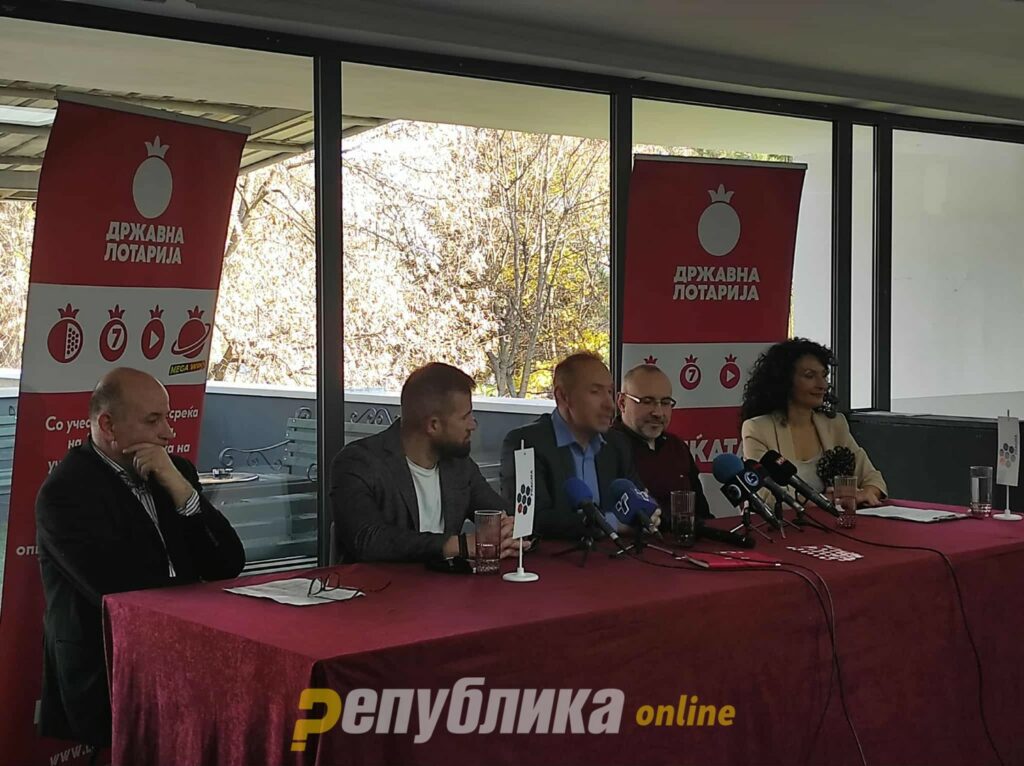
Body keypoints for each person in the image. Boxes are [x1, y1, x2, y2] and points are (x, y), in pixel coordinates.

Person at [36, 368, 246, 748]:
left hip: (182, 651)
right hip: (111, 668)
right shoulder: (66, 492)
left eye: (167, 417)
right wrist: (192, 599)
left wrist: (183, 492)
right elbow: (122, 591)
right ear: (107, 425)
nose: (169, 432)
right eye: (153, 420)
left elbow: (227, 563)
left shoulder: (173, 472)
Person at [331, 362, 519, 562]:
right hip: (376, 582)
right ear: (433, 425)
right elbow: (368, 540)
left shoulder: (459, 467)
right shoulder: (358, 463)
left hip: (445, 581)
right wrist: (459, 545)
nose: (473, 425)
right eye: (465, 417)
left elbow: (500, 514)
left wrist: (512, 529)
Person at [501, 352, 660, 540]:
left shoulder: (617, 444)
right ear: (563, 396)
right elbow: (531, 520)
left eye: (610, 392)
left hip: (615, 554)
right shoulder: (526, 443)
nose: (610, 405)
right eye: (595, 392)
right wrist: (611, 524)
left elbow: (638, 501)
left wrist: (647, 516)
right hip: (555, 556)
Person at [740, 338, 886, 507]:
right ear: (784, 381)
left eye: (824, 375)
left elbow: (873, 478)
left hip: (831, 522)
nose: (822, 385)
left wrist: (866, 492)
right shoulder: (757, 429)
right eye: (810, 376)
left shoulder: (835, 424)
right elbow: (765, 497)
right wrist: (822, 500)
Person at [613, 364, 711, 526]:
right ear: (622, 402)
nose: (658, 413)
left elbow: (703, 514)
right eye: (647, 402)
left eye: (665, 403)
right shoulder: (605, 449)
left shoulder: (677, 447)